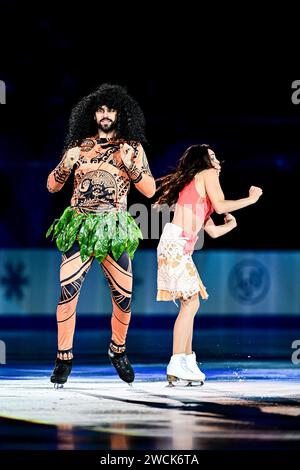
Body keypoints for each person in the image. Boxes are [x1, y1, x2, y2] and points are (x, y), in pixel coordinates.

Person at [46, 84, 155, 387]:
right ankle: (63, 357)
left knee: (124, 298)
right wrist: (65, 164)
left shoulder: (131, 147)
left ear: (120, 113)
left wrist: (132, 166)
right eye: (100, 110)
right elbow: (52, 186)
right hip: (80, 226)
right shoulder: (79, 146)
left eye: (111, 110)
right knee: (67, 293)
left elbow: (150, 190)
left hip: (114, 228)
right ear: (93, 114)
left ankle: (117, 350)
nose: (105, 115)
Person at [155, 144, 262, 386]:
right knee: (190, 303)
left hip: (177, 244)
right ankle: (176, 361)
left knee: (191, 303)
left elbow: (212, 231)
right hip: (176, 244)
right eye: (212, 156)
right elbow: (223, 205)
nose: (217, 161)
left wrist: (231, 226)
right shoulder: (207, 174)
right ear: (203, 161)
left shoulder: (199, 184)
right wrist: (251, 200)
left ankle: (187, 361)